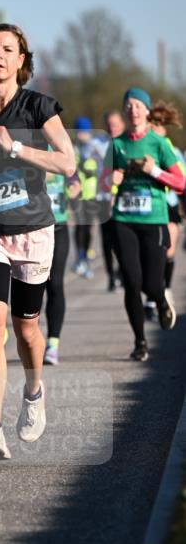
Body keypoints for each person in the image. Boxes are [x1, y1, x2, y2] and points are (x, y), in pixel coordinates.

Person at [0, 23, 76, 462]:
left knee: (27, 331)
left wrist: (18, 148)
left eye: (7, 49)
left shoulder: (38, 107)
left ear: (22, 58)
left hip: (34, 231)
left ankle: (33, 389)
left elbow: (67, 162)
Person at [108, 88, 185, 361]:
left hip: (154, 220)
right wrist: (111, 182)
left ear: (147, 110)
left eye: (138, 105)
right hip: (123, 220)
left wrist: (154, 171)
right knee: (131, 281)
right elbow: (105, 183)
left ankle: (161, 300)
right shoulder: (116, 144)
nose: (133, 109)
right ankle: (140, 342)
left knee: (152, 283)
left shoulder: (159, 144)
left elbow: (180, 182)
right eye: (128, 105)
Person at [148, 101, 185, 307]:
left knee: (167, 250)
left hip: (169, 206)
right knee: (151, 252)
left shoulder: (171, 150)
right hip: (149, 207)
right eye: (151, 124)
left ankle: (165, 289)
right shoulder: (144, 147)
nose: (153, 128)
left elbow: (182, 183)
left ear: (163, 127)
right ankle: (154, 293)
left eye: (156, 125)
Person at [43, 164, 80, 366]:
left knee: (55, 283)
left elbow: (73, 176)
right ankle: (31, 338)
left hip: (58, 226)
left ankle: (52, 344)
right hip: (31, 227)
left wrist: (75, 186)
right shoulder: (20, 141)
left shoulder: (59, 144)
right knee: (32, 286)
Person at [71, 116, 107, 279]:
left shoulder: (94, 148)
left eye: (83, 133)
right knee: (80, 225)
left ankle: (85, 257)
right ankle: (80, 258)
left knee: (88, 227)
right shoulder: (73, 148)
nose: (81, 136)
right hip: (77, 194)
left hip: (92, 193)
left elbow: (102, 168)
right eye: (78, 132)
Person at [99, 110, 125, 291]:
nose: (112, 128)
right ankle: (111, 275)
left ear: (122, 124)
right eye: (109, 124)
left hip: (122, 200)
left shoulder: (126, 143)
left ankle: (122, 272)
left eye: (115, 124)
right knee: (106, 241)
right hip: (102, 199)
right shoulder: (98, 144)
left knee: (122, 241)